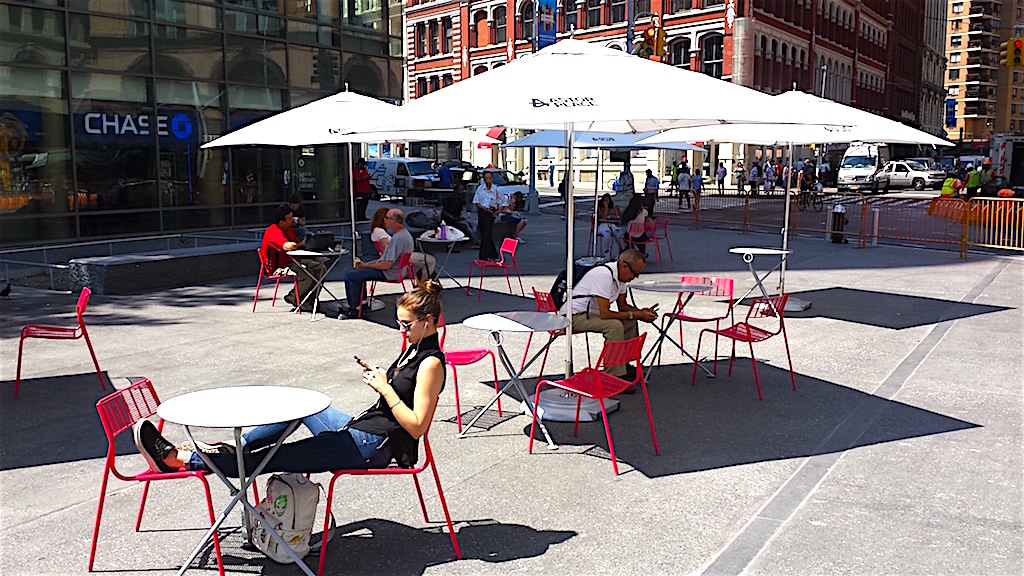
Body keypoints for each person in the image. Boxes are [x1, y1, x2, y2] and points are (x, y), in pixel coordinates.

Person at [133, 281, 447, 476]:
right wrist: (382, 377)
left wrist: (384, 388)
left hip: (372, 446)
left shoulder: (431, 363)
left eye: (406, 324)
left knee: (270, 459)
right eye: (398, 323)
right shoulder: (414, 348)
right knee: (304, 404)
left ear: (429, 321)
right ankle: (235, 448)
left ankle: (179, 459)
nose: (400, 330)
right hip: (360, 428)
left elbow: (418, 426)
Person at [557, 249, 656, 381]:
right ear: (624, 266)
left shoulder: (621, 278)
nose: (635, 277)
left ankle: (624, 365)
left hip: (589, 314)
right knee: (614, 326)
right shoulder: (605, 275)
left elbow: (623, 306)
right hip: (572, 315)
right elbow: (605, 314)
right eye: (635, 273)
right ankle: (614, 374)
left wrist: (641, 312)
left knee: (630, 321)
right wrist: (637, 314)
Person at [342, 208, 414, 317]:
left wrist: (366, 266)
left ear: (394, 221)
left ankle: (354, 309)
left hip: (390, 273)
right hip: (396, 270)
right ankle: (362, 303)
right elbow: (384, 259)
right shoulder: (403, 235)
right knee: (358, 273)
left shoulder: (398, 238)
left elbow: (387, 264)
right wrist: (366, 265)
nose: (384, 219)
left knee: (351, 276)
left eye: (387, 217)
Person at [261, 206, 325, 312]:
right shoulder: (273, 231)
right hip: (279, 267)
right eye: (290, 218)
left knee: (321, 269)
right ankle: (293, 298)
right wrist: (300, 244)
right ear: (282, 222)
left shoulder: (289, 229)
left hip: (294, 261)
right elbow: (288, 246)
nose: (293, 220)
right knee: (307, 276)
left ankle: (310, 298)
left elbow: (296, 245)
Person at [440, 182, 480, 248]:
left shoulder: (460, 200)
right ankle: (476, 241)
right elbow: (444, 211)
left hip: (457, 217)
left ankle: (473, 238)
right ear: (456, 190)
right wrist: (451, 217)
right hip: (449, 218)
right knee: (465, 225)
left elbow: (460, 211)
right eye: (461, 189)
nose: (463, 191)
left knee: (474, 223)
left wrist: (460, 216)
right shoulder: (449, 199)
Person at [473, 171, 501, 260]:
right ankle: (493, 254)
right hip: (482, 212)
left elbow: (504, 202)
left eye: (489, 178)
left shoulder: (496, 190)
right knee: (484, 233)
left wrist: (496, 212)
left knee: (486, 234)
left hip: (491, 213)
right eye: (486, 178)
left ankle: (483, 256)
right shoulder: (480, 189)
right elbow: (476, 201)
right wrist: (483, 208)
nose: (488, 180)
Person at [596, 193, 624, 259]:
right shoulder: (600, 208)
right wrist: (605, 207)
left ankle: (621, 250)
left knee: (618, 232)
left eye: (607, 200)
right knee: (607, 233)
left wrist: (617, 211)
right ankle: (606, 252)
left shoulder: (612, 208)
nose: (606, 202)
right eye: (604, 200)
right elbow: (603, 217)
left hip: (612, 224)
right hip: (603, 225)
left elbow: (618, 217)